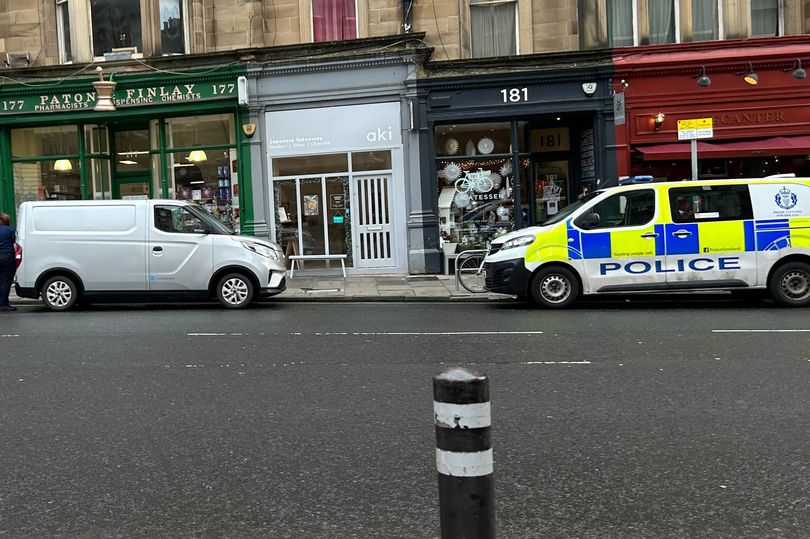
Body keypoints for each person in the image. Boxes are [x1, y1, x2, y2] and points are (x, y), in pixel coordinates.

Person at [0, 212, 17, 311]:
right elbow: (16, 241)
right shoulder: (10, 230)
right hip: (7, 256)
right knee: (6, 281)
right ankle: (3, 304)